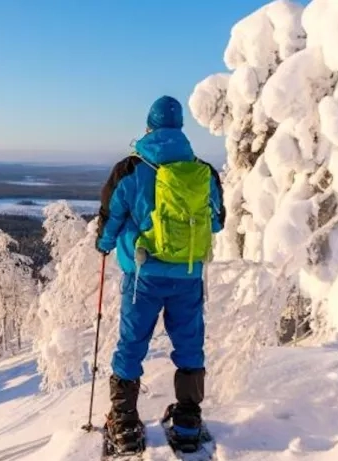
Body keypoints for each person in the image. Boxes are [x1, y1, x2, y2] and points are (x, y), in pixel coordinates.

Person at [95, 95, 225, 455]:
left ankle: (123, 422)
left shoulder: (131, 169)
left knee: (132, 343)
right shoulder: (202, 171)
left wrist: (104, 245)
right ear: (181, 127)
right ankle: (187, 422)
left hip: (143, 276)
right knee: (189, 344)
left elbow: (110, 216)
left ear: (149, 127)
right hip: (187, 274)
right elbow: (216, 222)